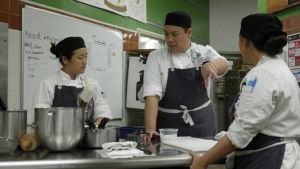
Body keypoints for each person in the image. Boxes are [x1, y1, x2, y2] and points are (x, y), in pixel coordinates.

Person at [189, 14, 300, 169]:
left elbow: (241, 133)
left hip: (269, 158)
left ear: (244, 41)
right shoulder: (281, 70)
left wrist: (202, 162)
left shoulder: (262, 74)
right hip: (281, 155)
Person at [139, 11, 229, 140]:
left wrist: (209, 65)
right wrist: (150, 129)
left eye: (175, 34)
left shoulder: (202, 51)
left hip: (202, 123)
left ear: (189, 33)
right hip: (168, 127)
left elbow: (223, 63)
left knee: (203, 158)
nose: (169, 39)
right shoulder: (156, 57)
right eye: (166, 34)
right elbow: (152, 94)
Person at [32, 37, 112, 125]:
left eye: (86, 56)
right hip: (57, 137)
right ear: (65, 59)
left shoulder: (91, 83)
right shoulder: (48, 84)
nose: (85, 62)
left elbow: (103, 111)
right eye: (80, 58)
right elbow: (41, 119)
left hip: (87, 137)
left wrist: (96, 125)